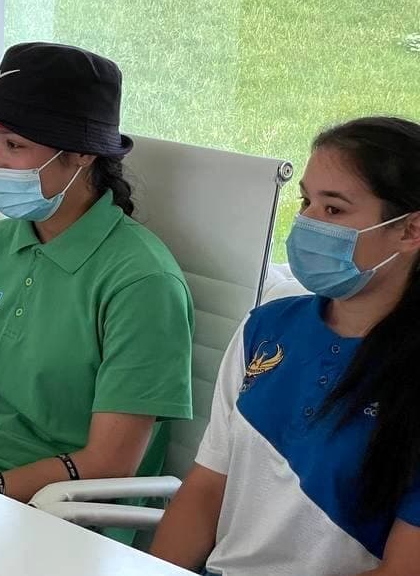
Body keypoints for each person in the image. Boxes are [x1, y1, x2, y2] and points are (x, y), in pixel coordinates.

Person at [0, 42, 194, 502]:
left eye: (14, 145)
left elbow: (109, 462)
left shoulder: (143, 281)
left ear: (82, 154)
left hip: (58, 510)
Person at [151, 117, 420, 576]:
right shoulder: (267, 328)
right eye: (306, 201)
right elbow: (207, 489)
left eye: (333, 210)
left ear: (410, 230)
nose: (307, 222)